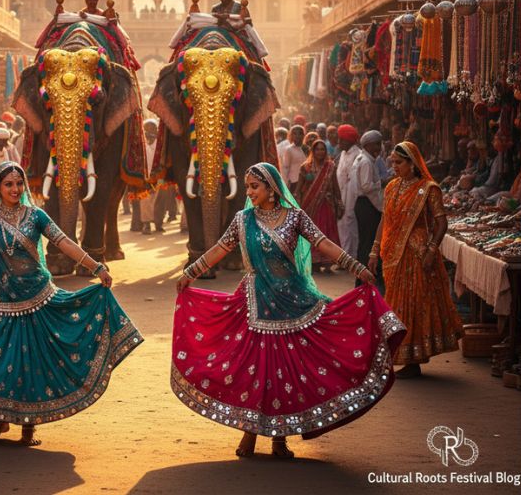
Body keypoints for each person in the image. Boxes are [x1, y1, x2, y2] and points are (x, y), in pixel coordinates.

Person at [173, 162, 405, 458]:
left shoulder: (296, 217)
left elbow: (325, 245)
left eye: (255, 187)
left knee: (283, 372)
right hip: (255, 302)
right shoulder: (243, 220)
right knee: (255, 370)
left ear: (272, 189)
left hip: (293, 302)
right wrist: (190, 272)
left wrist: (356, 266)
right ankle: (250, 433)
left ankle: (279, 440)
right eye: (247, 187)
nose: (250, 193)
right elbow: (220, 248)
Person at [0, 161, 143, 445]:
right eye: (9, 184)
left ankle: (29, 424)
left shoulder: (36, 216)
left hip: (37, 299)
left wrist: (96, 267)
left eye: (19, 184)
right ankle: (0, 419)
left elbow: (64, 242)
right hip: (0, 302)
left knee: (31, 365)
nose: (15, 189)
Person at [368, 142, 463, 379]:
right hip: (393, 254)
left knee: (413, 302)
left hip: (418, 253)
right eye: (392, 163)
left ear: (412, 163)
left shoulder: (428, 189)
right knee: (396, 302)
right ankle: (405, 356)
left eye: (399, 163)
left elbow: (442, 223)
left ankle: (412, 359)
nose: (394, 167)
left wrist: (431, 250)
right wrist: (373, 250)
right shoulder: (391, 188)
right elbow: (384, 221)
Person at [294, 139, 343, 270]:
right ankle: (314, 262)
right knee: (311, 232)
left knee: (326, 231)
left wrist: (339, 203)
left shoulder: (330, 166)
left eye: (323, 149)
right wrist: (296, 205)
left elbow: (335, 186)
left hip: (326, 204)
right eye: (317, 149)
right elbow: (298, 189)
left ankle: (327, 263)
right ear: (313, 151)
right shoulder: (305, 167)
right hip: (309, 206)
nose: (320, 152)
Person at [349, 131, 384, 281]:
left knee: (366, 242)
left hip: (364, 204)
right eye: (377, 144)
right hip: (366, 205)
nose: (379, 147)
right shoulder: (365, 161)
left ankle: (365, 276)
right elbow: (366, 186)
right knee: (368, 242)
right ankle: (365, 277)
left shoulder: (364, 159)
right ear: (368, 145)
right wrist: (383, 182)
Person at [336, 124, 362, 256]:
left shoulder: (357, 154)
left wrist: (346, 200)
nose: (339, 142)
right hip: (341, 193)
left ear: (349, 140)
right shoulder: (343, 153)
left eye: (341, 140)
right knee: (342, 224)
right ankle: (345, 255)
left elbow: (352, 181)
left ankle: (350, 256)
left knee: (350, 224)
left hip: (351, 195)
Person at [140, 118, 165, 234]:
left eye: (152, 128)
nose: (149, 131)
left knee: (158, 200)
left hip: (159, 178)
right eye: (147, 128)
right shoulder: (140, 145)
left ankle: (158, 224)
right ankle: (147, 224)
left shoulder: (160, 144)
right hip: (144, 178)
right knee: (145, 200)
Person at [280, 125, 306, 191]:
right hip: (294, 182)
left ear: (303, 135)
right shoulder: (289, 149)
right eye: (295, 133)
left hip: (306, 182)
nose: (297, 136)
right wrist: (285, 184)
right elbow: (285, 168)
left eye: (300, 133)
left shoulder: (306, 149)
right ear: (291, 136)